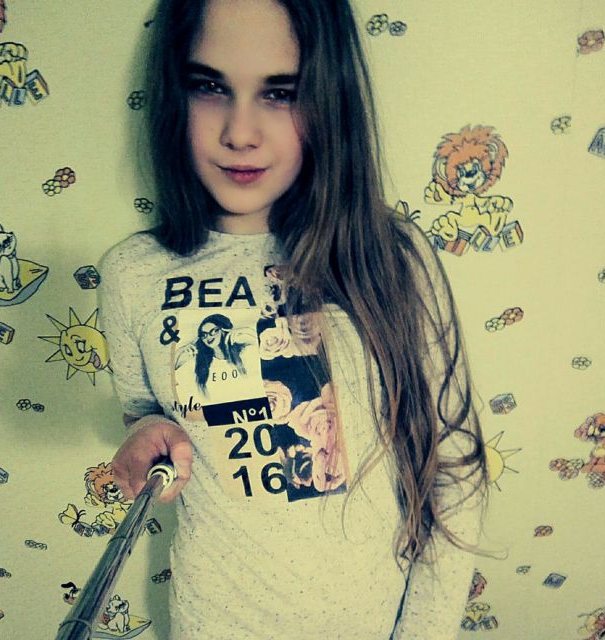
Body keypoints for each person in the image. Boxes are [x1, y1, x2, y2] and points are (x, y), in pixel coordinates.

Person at [99, 0, 488, 638]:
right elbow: (142, 409)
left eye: (281, 93)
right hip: (212, 622)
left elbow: (456, 466)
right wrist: (146, 432)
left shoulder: (390, 256)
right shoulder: (131, 275)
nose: (240, 133)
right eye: (210, 86)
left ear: (329, 100)